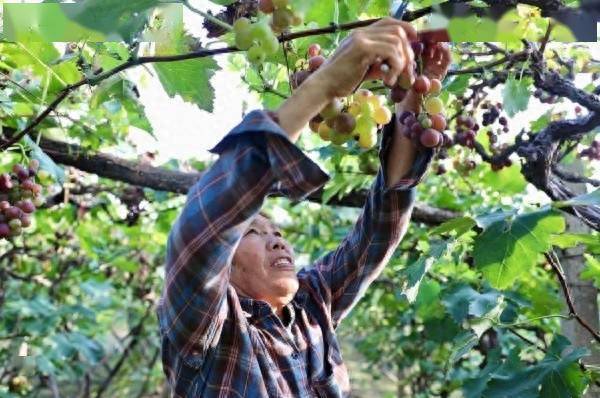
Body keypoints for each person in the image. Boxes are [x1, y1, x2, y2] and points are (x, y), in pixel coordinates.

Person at [157, 17, 451, 398]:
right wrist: (324, 85)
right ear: (223, 266)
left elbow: (377, 232)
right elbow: (204, 232)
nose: (278, 242)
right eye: (254, 233)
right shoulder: (205, 329)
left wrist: (413, 98)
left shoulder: (313, 306)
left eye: (277, 233)